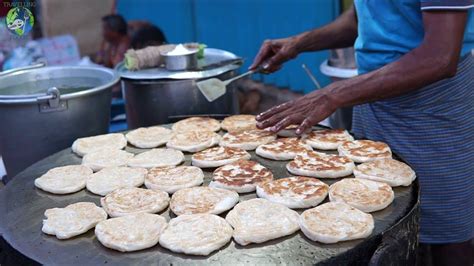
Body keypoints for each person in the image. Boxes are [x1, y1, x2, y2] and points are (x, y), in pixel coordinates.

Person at [250, 1, 473, 265]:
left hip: (432, 109)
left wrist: (332, 95)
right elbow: (362, 18)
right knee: (376, 216)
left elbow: (440, 57)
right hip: (373, 91)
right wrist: (299, 43)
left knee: (446, 229)